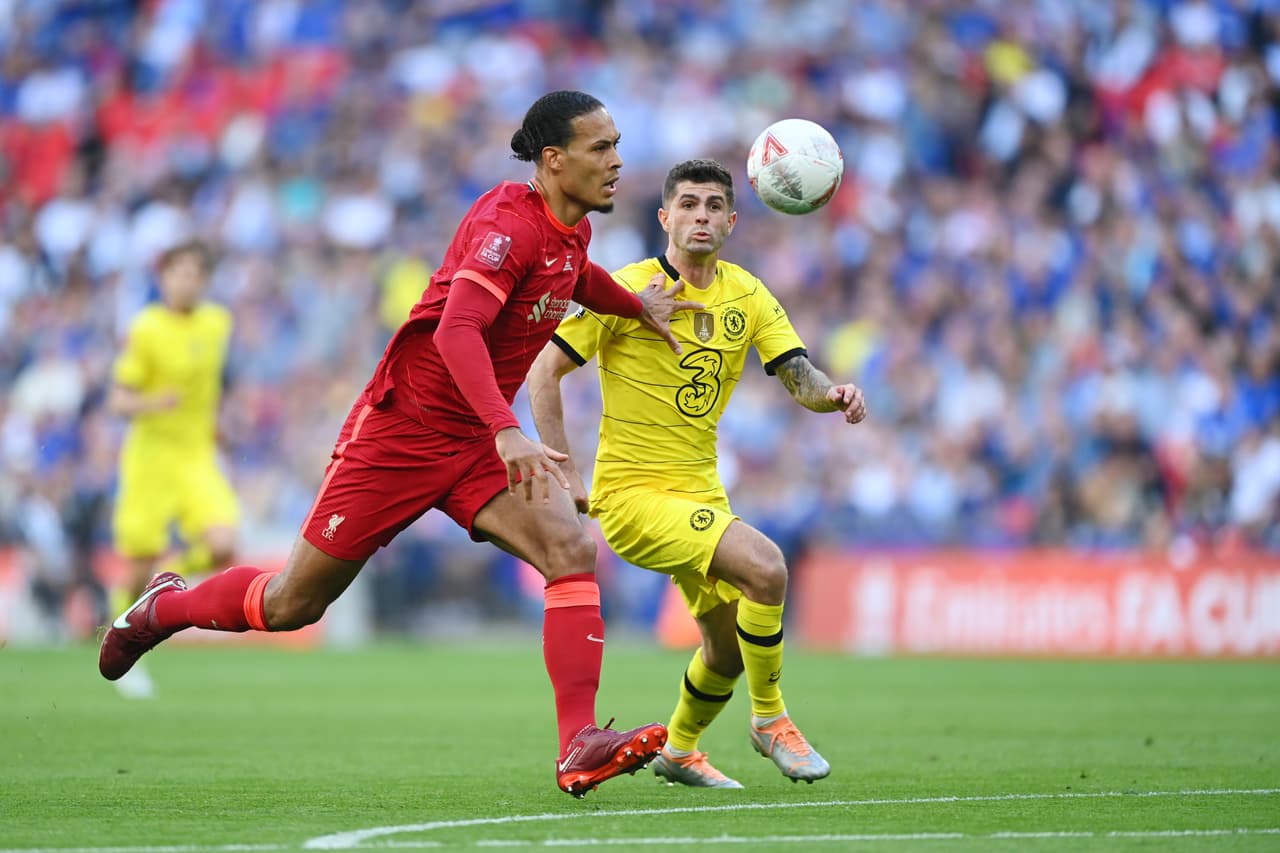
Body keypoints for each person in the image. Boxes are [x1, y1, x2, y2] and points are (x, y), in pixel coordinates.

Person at [98, 91, 703, 798]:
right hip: (402, 431)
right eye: (600, 147)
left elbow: (571, 276)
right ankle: (162, 606)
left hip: (475, 439)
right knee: (292, 604)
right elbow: (456, 331)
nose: (617, 159)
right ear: (553, 160)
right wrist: (509, 430)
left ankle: (577, 744)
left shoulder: (571, 231)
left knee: (570, 550)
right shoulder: (505, 226)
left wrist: (635, 305)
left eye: (616, 143)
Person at [528, 158, 866, 788]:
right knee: (766, 567)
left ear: (732, 221)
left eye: (713, 206)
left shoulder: (749, 294)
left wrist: (833, 396)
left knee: (727, 651)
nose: (700, 216)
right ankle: (771, 722)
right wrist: (563, 469)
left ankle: (679, 750)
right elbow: (544, 372)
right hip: (631, 496)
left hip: (699, 491)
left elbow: (799, 375)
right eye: (687, 204)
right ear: (664, 217)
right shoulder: (626, 289)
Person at [106, 239, 240, 697]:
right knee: (135, 560)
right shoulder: (145, 328)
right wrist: (153, 402)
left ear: (204, 280)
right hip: (151, 456)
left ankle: (158, 590)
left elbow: (212, 384)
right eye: (177, 272)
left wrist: (219, 425)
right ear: (163, 278)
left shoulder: (219, 323)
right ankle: (121, 636)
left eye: (194, 274)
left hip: (197, 454)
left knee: (224, 543)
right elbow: (118, 399)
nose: (186, 281)